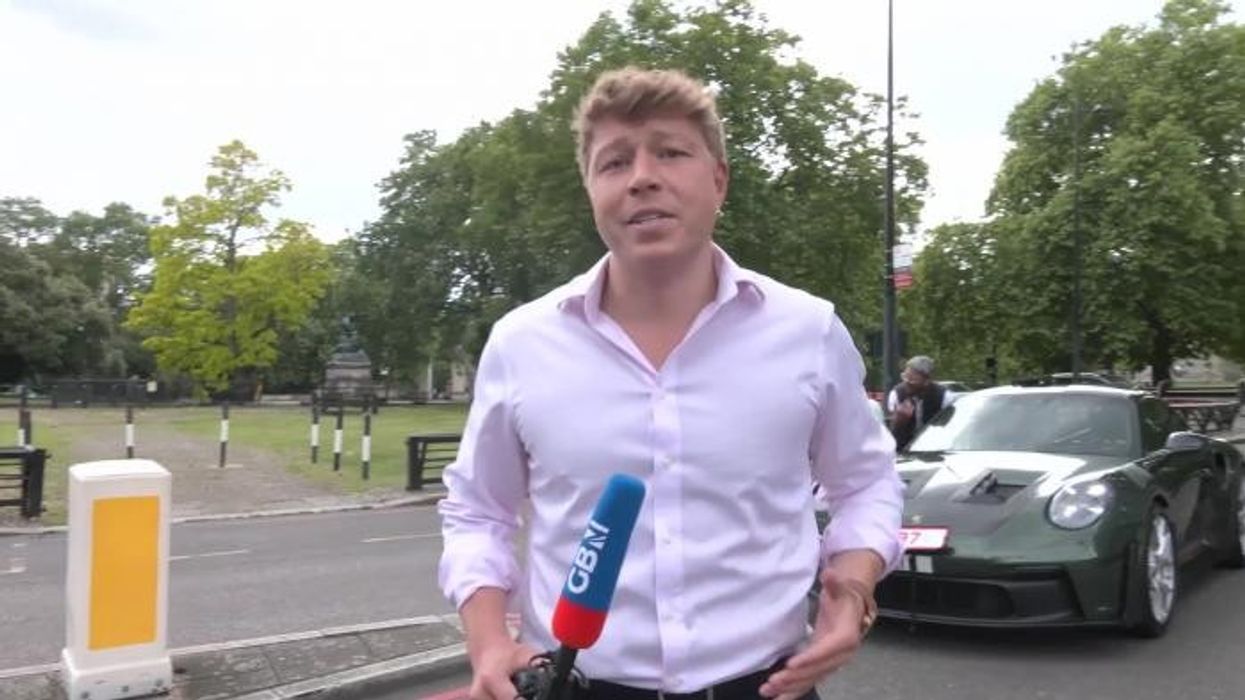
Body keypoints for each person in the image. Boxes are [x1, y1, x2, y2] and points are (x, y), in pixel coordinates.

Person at [438, 67, 903, 700]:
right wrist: (489, 642)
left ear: (719, 179)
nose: (642, 177)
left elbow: (866, 481)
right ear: (591, 191)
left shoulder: (809, 332)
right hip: (580, 686)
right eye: (614, 162)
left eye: (671, 151)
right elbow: (477, 509)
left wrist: (851, 591)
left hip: (766, 688)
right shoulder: (521, 345)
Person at [886, 355, 953, 452]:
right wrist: (899, 420)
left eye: (912, 380)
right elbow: (891, 434)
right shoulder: (896, 394)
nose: (906, 383)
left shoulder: (944, 397)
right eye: (905, 377)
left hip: (934, 450)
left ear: (927, 381)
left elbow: (948, 429)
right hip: (903, 450)